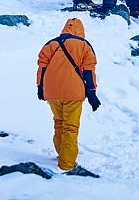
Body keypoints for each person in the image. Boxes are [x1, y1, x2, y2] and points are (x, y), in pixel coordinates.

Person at [36, 17, 100, 172]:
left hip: (51, 91)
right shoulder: (84, 46)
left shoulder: (50, 44)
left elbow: (42, 68)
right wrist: (92, 93)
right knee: (70, 128)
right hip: (73, 92)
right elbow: (89, 71)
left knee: (59, 123)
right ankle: (66, 165)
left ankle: (62, 154)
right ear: (81, 30)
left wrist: (40, 87)